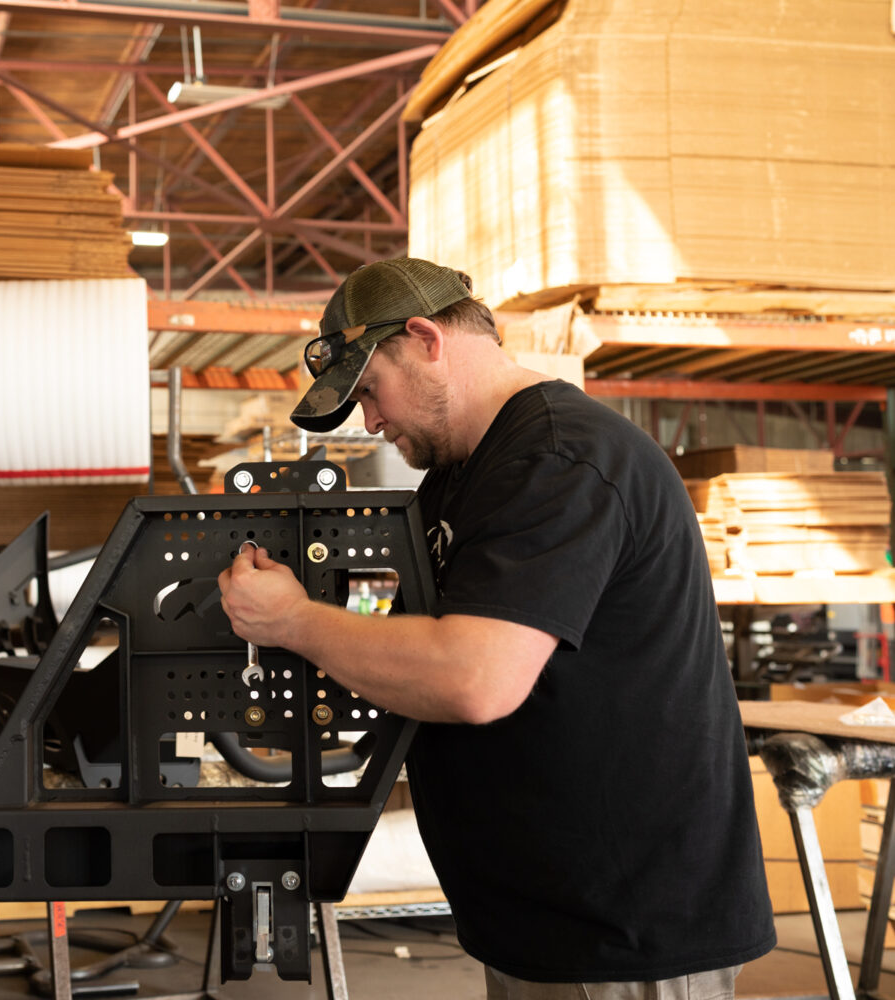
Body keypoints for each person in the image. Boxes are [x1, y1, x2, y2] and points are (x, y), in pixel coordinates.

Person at [217, 257, 775, 998]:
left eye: (370, 393)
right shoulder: (462, 475)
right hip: (543, 916)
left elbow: (472, 677)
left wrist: (294, 620)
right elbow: (406, 628)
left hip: (625, 930)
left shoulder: (557, 460)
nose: (372, 422)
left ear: (424, 338)